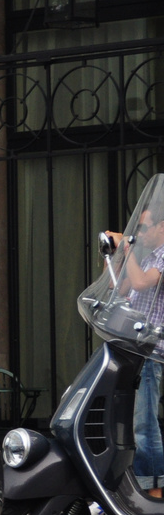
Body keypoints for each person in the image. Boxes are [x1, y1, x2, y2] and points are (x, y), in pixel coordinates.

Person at [103, 210, 164, 499]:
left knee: (144, 423)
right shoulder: (147, 257)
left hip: (149, 353)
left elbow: (141, 283)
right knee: (125, 421)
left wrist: (129, 247)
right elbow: (118, 286)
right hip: (131, 348)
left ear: (162, 226)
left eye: (144, 227)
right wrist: (115, 256)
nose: (139, 232)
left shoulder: (162, 257)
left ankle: (153, 489)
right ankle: (130, 485)